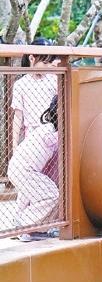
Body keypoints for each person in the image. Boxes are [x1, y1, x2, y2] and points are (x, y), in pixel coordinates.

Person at [8, 94, 59, 240]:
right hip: (25, 169)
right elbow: (52, 141)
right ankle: (22, 225)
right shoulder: (50, 131)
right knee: (52, 195)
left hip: (23, 169)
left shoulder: (48, 129)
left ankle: (34, 228)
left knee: (34, 195)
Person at [11, 38, 58, 150]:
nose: (48, 66)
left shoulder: (54, 80)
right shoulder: (21, 84)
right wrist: (14, 144)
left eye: (49, 63)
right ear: (32, 58)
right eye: (45, 63)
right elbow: (18, 116)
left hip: (52, 129)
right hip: (32, 133)